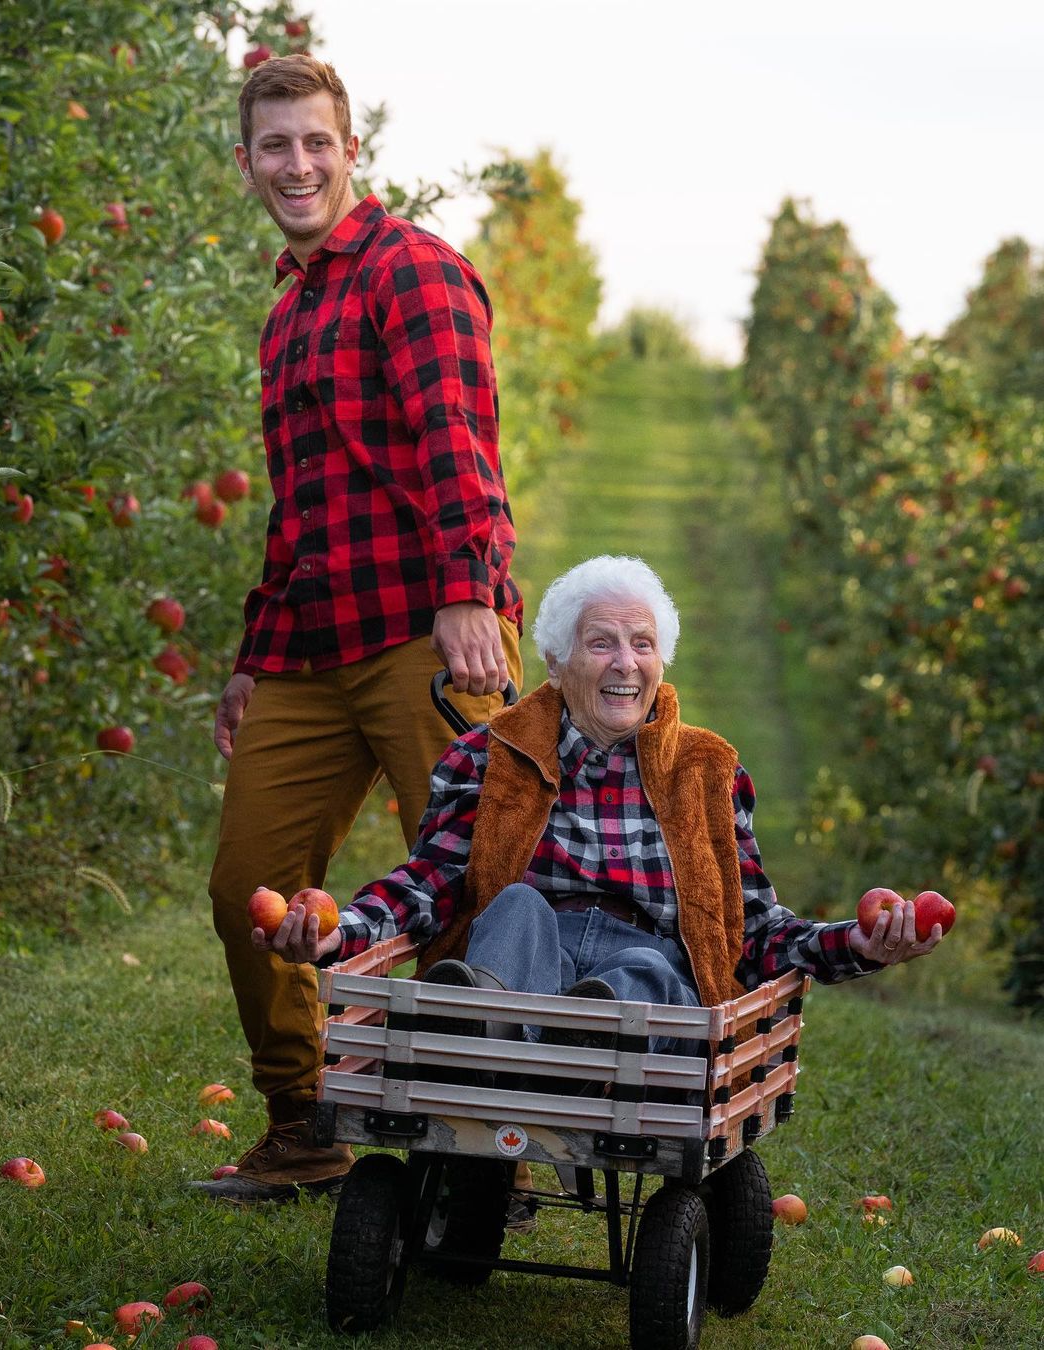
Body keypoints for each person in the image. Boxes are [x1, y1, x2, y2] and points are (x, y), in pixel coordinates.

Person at [198, 54, 523, 1206]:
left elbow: (458, 448)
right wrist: (252, 655)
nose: (296, 164)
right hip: (310, 645)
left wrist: (470, 592)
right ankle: (306, 1119)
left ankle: (492, 1140)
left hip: (425, 635)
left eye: (315, 142)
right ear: (247, 165)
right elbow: (302, 504)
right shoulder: (292, 306)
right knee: (252, 882)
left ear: (349, 150)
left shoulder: (411, 273)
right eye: (274, 146)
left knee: (483, 884)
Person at [261, 553, 944, 1064]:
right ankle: (484, 1025)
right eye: (602, 642)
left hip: (642, 985)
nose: (626, 663)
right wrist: (340, 932)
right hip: (524, 967)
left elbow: (754, 929)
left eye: (642, 644)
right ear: (556, 664)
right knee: (517, 908)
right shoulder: (487, 756)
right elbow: (427, 884)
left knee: (647, 968)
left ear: (661, 663)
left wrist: (857, 946)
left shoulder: (710, 773)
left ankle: (583, 1041)